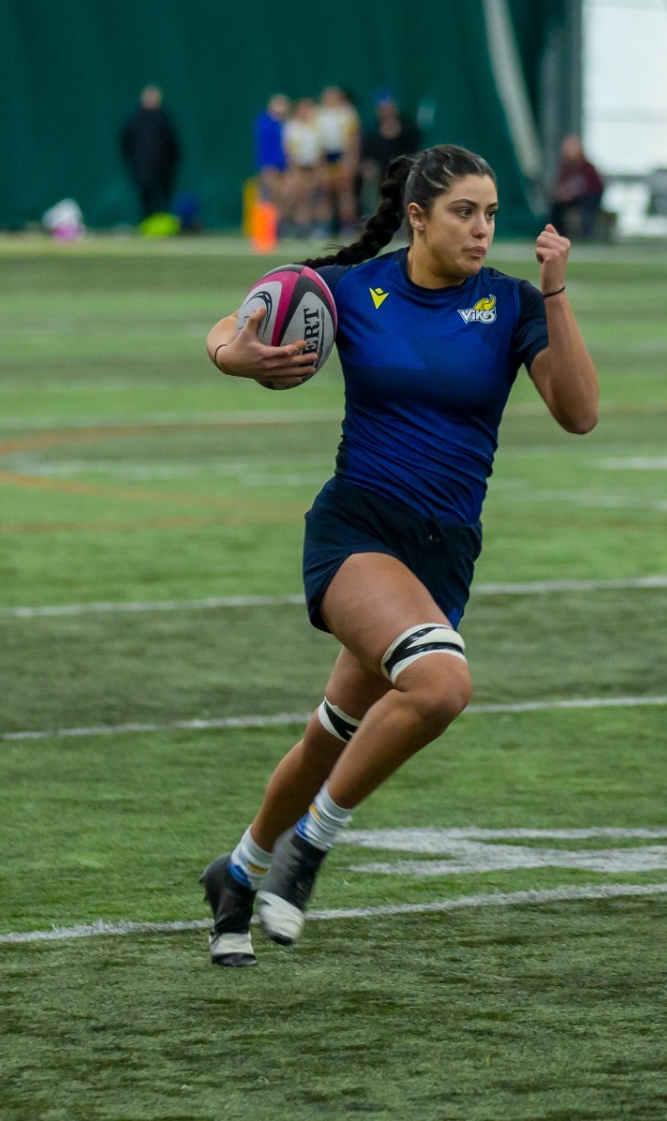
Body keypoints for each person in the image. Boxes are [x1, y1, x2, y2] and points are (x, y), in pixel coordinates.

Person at [195, 146, 600, 966]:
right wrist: (237, 356)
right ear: (418, 217)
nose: (482, 229)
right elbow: (235, 322)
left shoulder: (513, 302)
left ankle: (237, 871)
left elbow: (579, 413)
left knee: (330, 736)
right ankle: (308, 850)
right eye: (464, 212)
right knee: (443, 683)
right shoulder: (353, 288)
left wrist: (556, 292)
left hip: (442, 556)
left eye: (491, 214)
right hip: (357, 531)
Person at [120, 85, 180, 221]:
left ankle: (164, 228)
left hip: (163, 170)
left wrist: (171, 163)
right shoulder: (135, 120)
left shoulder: (165, 119)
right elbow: (126, 143)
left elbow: (173, 144)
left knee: (163, 200)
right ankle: (148, 226)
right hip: (142, 170)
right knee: (146, 200)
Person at [361, 91, 422, 215]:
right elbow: (367, 157)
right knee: (371, 178)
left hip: (403, 167)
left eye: (388, 106)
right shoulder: (372, 132)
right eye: (382, 108)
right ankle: (377, 216)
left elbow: (414, 152)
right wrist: (368, 167)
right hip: (381, 169)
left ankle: (407, 217)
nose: (386, 110)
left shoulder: (408, 128)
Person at [316, 86, 361, 235]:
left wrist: (349, 161)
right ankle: (324, 226)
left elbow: (353, 140)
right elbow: (317, 141)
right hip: (326, 156)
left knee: (345, 192)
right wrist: (321, 164)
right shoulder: (319, 115)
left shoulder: (347, 113)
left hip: (342, 155)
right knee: (325, 192)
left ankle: (347, 226)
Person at [549, 134, 606, 240]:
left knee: (588, 203)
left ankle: (587, 237)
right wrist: (563, 193)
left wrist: (574, 193)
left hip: (588, 198)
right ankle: (557, 235)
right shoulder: (565, 167)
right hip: (572, 199)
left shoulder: (587, 167)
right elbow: (560, 184)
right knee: (556, 205)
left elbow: (593, 187)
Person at [281, 98, 324, 238]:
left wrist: (318, 171)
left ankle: (305, 229)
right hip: (297, 168)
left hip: (312, 168)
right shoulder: (291, 127)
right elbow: (289, 151)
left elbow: (319, 150)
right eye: (303, 109)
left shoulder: (316, 127)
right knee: (293, 195)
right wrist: (295, 172)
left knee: (308, 198)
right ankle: (284, 226)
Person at [253, 95, 289, 211]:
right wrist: (267, 165)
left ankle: (281, 224)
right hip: (269, 164)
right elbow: (266, 146)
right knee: (268, 196)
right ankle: (265, 226)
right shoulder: (265, 123)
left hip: (284, 165)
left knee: (282, 195)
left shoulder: (287, 124)